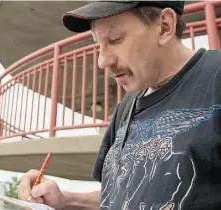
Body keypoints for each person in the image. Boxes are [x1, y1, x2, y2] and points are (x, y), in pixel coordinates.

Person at [18, 1, 221, 210]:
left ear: (165, 26)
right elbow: (118, 195)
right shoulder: (127, 104)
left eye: (115, 39)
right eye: (98, 43)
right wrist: (65, 200)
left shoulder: (216, 80)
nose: (102, 61)